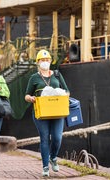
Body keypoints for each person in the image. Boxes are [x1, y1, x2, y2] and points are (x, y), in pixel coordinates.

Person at [24, 49, 69, 177]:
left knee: (57, 138)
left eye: (47, 60)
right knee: (44, 138)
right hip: (41, 112)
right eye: (42, 60)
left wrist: (61, 94)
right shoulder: (34, 78)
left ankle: (53, 157)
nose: (45, 62)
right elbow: (26, 95)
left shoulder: (57, 75)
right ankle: (45, 167)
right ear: (38, 62)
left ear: (50, 61)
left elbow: (67, 91)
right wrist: (31, 98)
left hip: (57, 111)